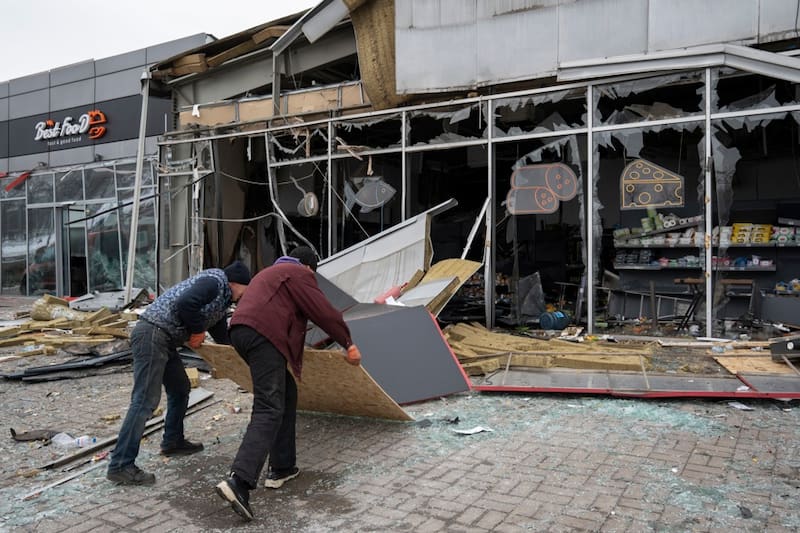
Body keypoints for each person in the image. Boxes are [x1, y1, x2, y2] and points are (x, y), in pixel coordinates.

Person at [215, 246, 361, 522]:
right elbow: (323, 311)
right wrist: (348, 342)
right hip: (262, 335)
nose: (313, 279)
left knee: (286, 392)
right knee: (269, 407)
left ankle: (282, 467)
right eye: (313, 274)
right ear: (308, 266)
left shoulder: (269, 273)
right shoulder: (298, 273)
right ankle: (239, 481)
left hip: (242, 332)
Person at [106, 261, 252, 485]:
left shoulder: (221, 300)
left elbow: (221, 335)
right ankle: (120, 465)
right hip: (153, 334)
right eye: (245, 290)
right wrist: (197, 330)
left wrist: (240, 356)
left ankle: (173, 442)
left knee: (180, 388)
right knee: (145, 401)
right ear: (235, 283)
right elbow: (186, 303)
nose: (244, 296)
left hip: (164, 339)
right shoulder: (214, 282)